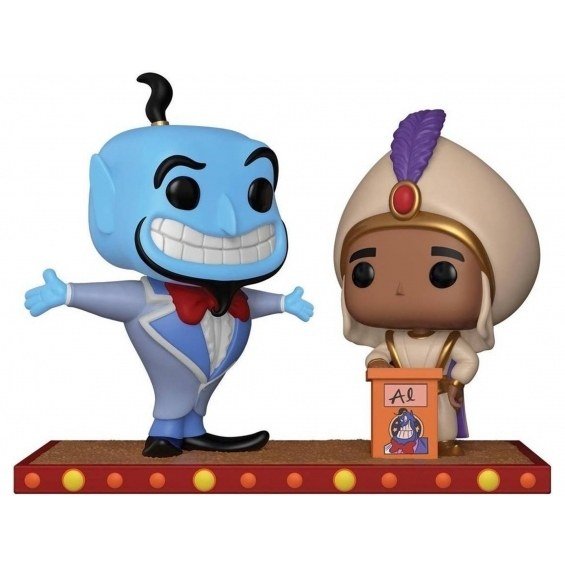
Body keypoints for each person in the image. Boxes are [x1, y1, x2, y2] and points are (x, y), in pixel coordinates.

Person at [334, 109, 539, 455]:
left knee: (441, 422)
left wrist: (455, 381)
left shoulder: (449, 343)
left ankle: (444, 443)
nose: (400, 289)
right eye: (365, 273)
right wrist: (379, 365)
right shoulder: (393, 340)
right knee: (396, 423)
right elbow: (377, 357)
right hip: (397, 401)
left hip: (439, 392)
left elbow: (468, 360)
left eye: (441, 273)